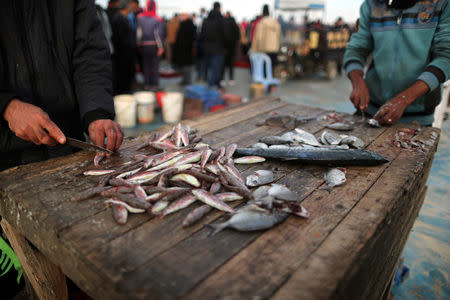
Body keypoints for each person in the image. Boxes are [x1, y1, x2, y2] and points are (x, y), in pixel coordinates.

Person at [0, 0, 123, 295]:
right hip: (3, 158)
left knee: (79, 263)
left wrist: (96, 113)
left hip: (65, 146)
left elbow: (90, 53)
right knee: (17, 277)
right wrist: (6, 106)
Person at [344, 0, 449, 126]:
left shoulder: (442, 4)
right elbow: (356, 48)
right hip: (371, 110)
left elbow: (446, 58)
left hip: (417, 117)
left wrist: (404, 99)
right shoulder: (370, 5)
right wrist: (357, 81)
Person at [110, 0, 136, 95]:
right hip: (123, 53)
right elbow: (120, 38)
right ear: (126, 7)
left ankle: (125, 90)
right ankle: (124, 92)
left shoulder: (121, 18)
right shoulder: (120, 19)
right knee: (123, 73)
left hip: (124, 52)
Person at [137, 0, 165, 89]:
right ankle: (155, 85)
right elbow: (158, 35)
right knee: (155, 66)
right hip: (154, 46)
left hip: (144, 45)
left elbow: (139, 34)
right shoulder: (158, 19)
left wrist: (138, 45)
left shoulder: (139, 18)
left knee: (146, 65)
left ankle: (146, 85)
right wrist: (161, 47)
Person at [200, 2, 228, 90]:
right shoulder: (221, 20)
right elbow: (226, 35)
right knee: (216, 69)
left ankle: (214, 85)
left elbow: (202, 35)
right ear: (219, 8)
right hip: (219, 48)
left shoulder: (206, 20)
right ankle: (211, 88)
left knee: (209, 68)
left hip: (207, 48)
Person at [251, 4, 282, 75]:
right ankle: (272, 83)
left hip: (264, 49)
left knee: (265, 68)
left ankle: (266, 83)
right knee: (273, 66)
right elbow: (279, 35)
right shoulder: (275, 22)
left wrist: (254, 49)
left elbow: (258, 37)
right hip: (274, 48)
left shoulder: (261, 23)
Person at [173, 13, 196, 85]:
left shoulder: (185, 25)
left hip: (184, 49)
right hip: (186, 49)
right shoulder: (190, 24)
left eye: (182, 16)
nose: (180, 17)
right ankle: (185, 80)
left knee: (185, 66)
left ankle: (186, 81)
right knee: (185, 66)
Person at [221, 11, 240, 86]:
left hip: (224, 47)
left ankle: (222, 79)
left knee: (223, 64)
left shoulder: (223, 23)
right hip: (232, 47)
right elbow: (238, 36)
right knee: (231, 64)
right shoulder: (234, 24)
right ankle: (231, 79)